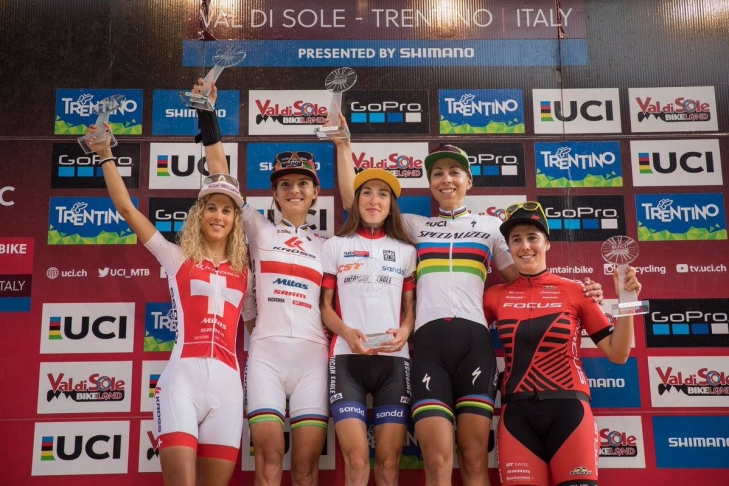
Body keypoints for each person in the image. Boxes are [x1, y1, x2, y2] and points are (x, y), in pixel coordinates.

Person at [338, 144, 603, 486]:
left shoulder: (491, 227)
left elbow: (527, 280)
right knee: (436, 461)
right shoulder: (415, 226)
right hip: (429, 347)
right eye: (437, 174)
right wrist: (343, 146)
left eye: (454, 172)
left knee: (474, 459)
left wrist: (581, 292)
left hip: (474, 345)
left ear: (469, 180)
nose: (445, 179)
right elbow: (355, 203)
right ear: (430, 183)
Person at [193, 80, 355, 486]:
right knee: (268, 459)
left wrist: (343, 146)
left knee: (305, 468)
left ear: (315, 192)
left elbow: (357, 206)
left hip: (313, 356)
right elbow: (221, 174)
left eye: (302, 184)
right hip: (265, 354)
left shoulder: (329, 244)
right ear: (276, 194)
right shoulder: (260, 229)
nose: (294, 190)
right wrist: (207, 114)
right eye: (285, 184)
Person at [84, 123, 249, 486]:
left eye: (227, 210)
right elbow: (128, 211)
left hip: (228, 387)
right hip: (182, 384)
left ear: (236, 220)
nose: (218, 216)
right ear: (199, 214)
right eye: (211, 208)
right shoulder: (177, 259)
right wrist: (106, 155)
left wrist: (209, 115)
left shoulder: (246, 271)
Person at [483, 201, 641, 486]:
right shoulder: (494, 296)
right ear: (509, 248)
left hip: (570, 411)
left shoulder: (576, 290)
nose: (525, 246)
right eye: (516, 240)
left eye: (532, 237)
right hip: (517, 414)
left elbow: (618, 354)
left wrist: (626, 301)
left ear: (547, 243)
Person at [320, 168, 417, 486]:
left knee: (388, 464)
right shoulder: (335, 245)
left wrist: (405, 332)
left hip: (394, 362)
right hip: (347, 359)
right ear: (356, 200)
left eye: (382, 194)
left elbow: (410, 310)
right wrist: (347, 333)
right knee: (357, 462)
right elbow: (325, 308)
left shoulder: (406, 251)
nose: (374, 200)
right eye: (367, 192)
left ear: (391, 206)